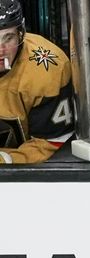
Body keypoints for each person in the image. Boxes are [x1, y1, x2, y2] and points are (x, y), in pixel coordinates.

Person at [0, 0, 74, 165]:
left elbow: (51, 142)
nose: (1, 50)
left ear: (21, 34)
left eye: (8, 37)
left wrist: (6, 161)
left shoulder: (47, 69)